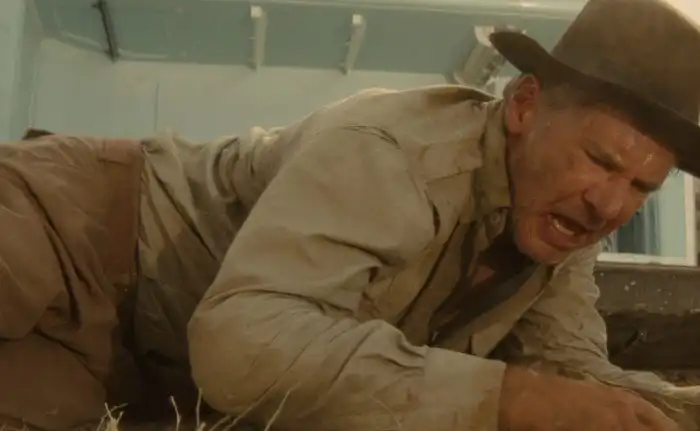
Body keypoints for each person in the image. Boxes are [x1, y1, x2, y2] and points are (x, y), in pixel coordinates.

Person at [2, 0, 700, 430]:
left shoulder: (562, 226)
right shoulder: (395, 152)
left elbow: (571, 376)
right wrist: (511, 399)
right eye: (600, 160)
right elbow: (239, 342)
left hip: (128, 360)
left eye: (642, 186)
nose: (611, 204)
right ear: (523, 106)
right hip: (73, 225)